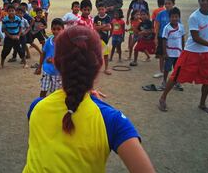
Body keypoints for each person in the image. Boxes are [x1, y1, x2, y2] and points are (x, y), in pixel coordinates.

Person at [23, 26, 155, 173]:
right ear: (99, 65)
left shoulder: (36, 107)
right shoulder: (112, 121)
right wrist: (98, 105)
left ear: (55, 63)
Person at [159, 0, 208, 113]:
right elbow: (196, 37)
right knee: (176, 76)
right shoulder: (194, 17)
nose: (205, 2)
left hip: (205, 53)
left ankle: (202, 104)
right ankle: (162, 98)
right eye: (202, 0)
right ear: (199, 1)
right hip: (191, 51)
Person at [35, 18, 65, 97]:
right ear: (51, 29)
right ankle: (41, 104)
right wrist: (39, 67)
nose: (56, 31)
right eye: (54, 29)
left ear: (63, 29)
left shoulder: (65, 44)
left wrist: (54, 60)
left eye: (59, 29)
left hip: (57, 73)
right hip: (47, 70)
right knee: (43, 90)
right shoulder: (49, 40)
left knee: (54, 93)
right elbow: (43, 53)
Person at [160, 7, 185, 91]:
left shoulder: (181, 27)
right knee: (167, 68)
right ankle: (164, 81)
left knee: (177, 69)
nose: (174, 19)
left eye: (176, 17)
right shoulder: (167, 28)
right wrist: (164, 53)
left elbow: (182, 38)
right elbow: (164, 40)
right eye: (172, 17)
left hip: (178, 53)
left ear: (179, 17)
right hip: (169, 53)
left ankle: (177, 82)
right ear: (169, 18)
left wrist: (183, 50)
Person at [154, 0, 176, 78]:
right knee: (161, 54)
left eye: (169, 3)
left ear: (173, 4)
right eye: (166, 3)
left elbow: (178, 26)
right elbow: (157, 26)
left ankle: (173, 73)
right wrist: (156, 37)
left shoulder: (175, 14)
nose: (167, 5)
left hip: (172, 38)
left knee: (172, 55)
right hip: (161, 37)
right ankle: (161, 71)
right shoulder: (160, 14)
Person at [94, 3, 112, 75]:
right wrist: (103, 26)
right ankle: (96, 69)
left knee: (106, 55)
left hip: (105, 39)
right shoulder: (96, 18)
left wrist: (100, 27)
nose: (101, 11)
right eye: (99, 9)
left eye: (103, 9)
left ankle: (106, 68)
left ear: (105, 9)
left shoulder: (108, 17)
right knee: (96, 55)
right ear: (98, 10)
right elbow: (95, 28)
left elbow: (109, 28)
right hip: (97, 39)